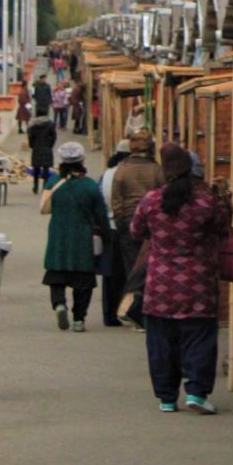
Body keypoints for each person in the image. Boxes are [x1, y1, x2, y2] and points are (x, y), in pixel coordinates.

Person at [130, 142, 230, 414]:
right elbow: (223, 227)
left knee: (161, 343)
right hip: (198, 283)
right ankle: (196, 392)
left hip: (159, 285)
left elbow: (136, 230)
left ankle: (166, 398)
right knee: (199, 339)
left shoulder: (151, 200)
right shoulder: (205, 202)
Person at [41, 142, 109, 333]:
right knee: (83, 281)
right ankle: (79, 319)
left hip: (58, 235)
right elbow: (101, 216)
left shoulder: (54, 182)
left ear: (61, 161)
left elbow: (44, 208)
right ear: (82, 161)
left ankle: (59, 305)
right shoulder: (91, 186)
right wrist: (106, 236)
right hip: (83, 238)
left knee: (56, 275)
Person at [111, 130, 165, 329]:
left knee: (132, 268)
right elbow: (164, 196)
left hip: (129, 224)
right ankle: (146, 310)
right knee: (152, 268)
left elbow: (116, 202)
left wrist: (121, 224)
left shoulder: (121, 171)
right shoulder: (157, 171)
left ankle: (133, 309)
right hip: (154, 226)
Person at [98, 139, 131, 327]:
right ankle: (127, 310)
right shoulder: (130, 173)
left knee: (110, 274)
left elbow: (99, 198)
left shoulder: (107, 175)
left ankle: (109, 314)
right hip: (128, 227)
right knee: (130, 272)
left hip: (110, 227)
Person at [27, 112, 57, 194]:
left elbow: (30, 137)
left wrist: (32, 145)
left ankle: (35, 186)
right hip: (46, 148)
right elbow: (54, 136)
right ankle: (45, 186)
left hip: (36, 148)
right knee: (46, 169)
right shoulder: (50, 124)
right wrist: (50, 145)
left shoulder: (33, 125)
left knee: (36, 169)